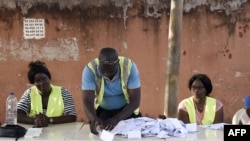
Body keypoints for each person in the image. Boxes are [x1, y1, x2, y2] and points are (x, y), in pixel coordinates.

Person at [81, 47, 141, 135]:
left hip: (126, 112)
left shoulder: (129, 66)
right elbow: (87, 100)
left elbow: (135, 100)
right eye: (103, 70)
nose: (107, 74)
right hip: (103, 112)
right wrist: (94, 119)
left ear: (118, 63)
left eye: (111, 71)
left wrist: (116, 119)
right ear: (99, 62)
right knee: (103, 135)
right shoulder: (90, 69)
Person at [17, 60, 77, 127]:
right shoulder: (29, 93)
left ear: (49, 78)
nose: (42, 83)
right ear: (33, 83)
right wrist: (34, 121)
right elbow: (17, 114)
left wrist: (49, 120)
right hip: (35, 134)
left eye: (44, 79)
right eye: (37, 81)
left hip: (59, 134)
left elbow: (72, 116)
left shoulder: (63, 92)